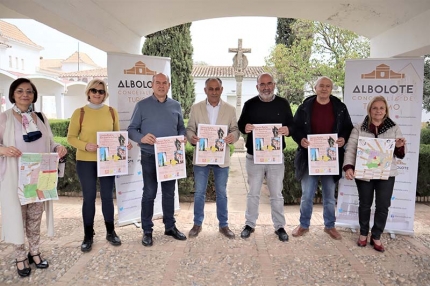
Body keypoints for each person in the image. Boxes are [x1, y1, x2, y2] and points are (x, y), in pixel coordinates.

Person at [0, 78, 67, 277]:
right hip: (14, 177)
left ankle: (34, 251)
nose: (24, 95)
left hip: (39, 177)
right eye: (20, 91)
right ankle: (20, 256)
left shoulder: (41, 117)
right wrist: (3, 149)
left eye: (29, 91)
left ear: (33, 95)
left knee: (35, 217)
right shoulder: (4, 118)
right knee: (17, 217)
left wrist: (58, 148)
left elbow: (51, 141)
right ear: (13, 94)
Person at [128, 73, 187, 247]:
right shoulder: (142, 106)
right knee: (149, 193)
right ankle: (147, 230)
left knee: (169, 193)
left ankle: (170, 226)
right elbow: (131, 129)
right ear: (152, 85)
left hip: (170, 158)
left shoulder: (176, 105)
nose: (161, 86)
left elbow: (181, 128)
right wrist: (141, 138)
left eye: (164, 83)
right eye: (158, 83)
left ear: (169, 85)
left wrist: (182, 137)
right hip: (149, 156)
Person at [292, 76, 353, 240]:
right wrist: (301, 139)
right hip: (308, 157)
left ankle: (330, 226)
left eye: (328, 86)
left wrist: (343, 139)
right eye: (321, 86)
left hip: (331, 158)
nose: (324, 89)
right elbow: (295, 127)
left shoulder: (340, 107)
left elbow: (348, 128)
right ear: (315, 88)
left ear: (331, 89)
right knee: (307, 195)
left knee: (329, 195)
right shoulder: (305, 106)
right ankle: (303, 225)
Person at [343, 96, 406, 252]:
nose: (378, 111)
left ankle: (376, 236)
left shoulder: (394, 127)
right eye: (375, 108)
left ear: (386, 110)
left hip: (386, 173)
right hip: (365, 171)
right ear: (369, 110)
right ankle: (363, 234)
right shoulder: (359, 127)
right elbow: (351, 148)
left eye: (381, 108)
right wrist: (349, 167)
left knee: (383, 206)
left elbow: (400, 154)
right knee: (365, 204)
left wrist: (399, 146)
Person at [67, 79, 123, 253]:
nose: (97, 94)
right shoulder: (80, 112)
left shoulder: (112, 112)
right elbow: (71, 137)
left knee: (107, 197)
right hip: (85, 161)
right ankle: (88, 235)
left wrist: (123, 145)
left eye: (101, 91)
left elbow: (117, 135)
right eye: (94, 90)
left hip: (108, 161)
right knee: (89, 198)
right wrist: (85, 145)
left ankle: (110, 231)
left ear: (105, 94)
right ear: (88, 92)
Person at [237, 73, 294, 242]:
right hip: (254, 157)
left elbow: (292, 124)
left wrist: (287, 130)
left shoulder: (283, 103)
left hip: (276, 157)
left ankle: (280, 226)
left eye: (269, 84)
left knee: (276, 193)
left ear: (274, 85)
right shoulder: (250, 104)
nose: (266, 87)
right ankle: (249, 224)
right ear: (257, 87)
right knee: (253, 193)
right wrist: (245, 127)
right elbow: (241, 124)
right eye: (262, 84)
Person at [186, 77, 240, 239]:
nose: (214, 92)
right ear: (205, 90)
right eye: (211, 89)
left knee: (222, 193)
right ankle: (197, 224)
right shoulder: (196, 108)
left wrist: (233, 137)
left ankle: (223, 225)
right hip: (202, 157)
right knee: (199, 193)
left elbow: (236, 130)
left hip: (220, 157)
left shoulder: (230, 110)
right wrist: (192, 138)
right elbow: (189, 129)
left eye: (217, 89)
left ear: (221, 90)